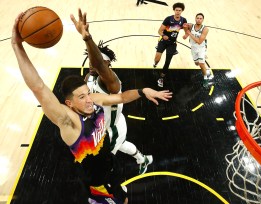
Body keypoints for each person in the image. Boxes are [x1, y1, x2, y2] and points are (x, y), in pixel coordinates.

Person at [12, 10, 172, 204]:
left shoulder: (94, 98)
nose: (89, 100)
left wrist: (143, 91)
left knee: (124, 195)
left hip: (110, 167)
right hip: (98, 186)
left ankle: (127, 175)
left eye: (88, 93)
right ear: (69, 104)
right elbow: (38, 87)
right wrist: (17, 45)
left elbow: (120, 96)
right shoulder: (68, 121)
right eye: (82, 97)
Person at [71, 9, 153, 175]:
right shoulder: (89, 77)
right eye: (90, 58)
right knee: (122, 145)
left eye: (98, 61)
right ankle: (143, 158)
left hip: (112, 129)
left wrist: (87, 37)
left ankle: (112, 187)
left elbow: (99, 64)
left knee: (104, 162)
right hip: (101, 125)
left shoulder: (111, 82)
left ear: (107, 64)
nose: (91, 63)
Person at [153, 2, 188, 88]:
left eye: (180, 10)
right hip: (163, 41)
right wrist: (163, 35)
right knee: (157, 59)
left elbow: (186, 29)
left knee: (167, 61)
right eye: (176, 10)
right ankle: (155, 63)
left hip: (172, 43)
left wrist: (186, 35)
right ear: (174, 10)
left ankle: (161, 78)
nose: (178, 12)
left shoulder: (183, 20)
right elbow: (159, 31)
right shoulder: (168, 19)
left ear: (182, 11)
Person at [184, 13, 209, 86]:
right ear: (195, 19)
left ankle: (205, 78)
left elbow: (199, 41)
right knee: (196, 63)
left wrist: (189, 33)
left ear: (203, 20)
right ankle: (202, 57)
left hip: (201, 47)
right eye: (197, 18)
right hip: (193, 47)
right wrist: (186, 30)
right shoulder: (191, 25)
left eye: (200, 18)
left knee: (201, 64)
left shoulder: (205, 29)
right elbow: (184, 26)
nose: (199, 20)